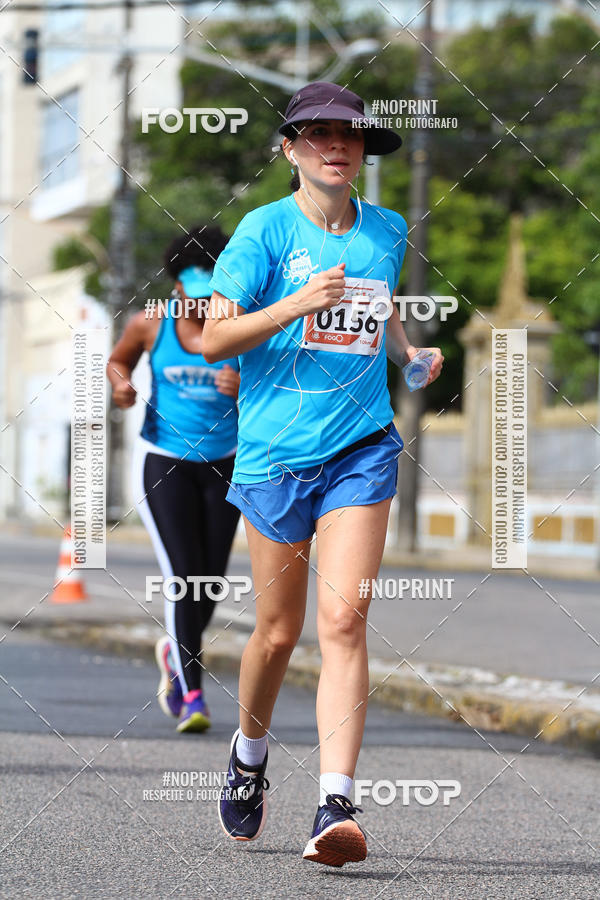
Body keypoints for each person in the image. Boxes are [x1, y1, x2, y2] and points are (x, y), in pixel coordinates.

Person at [202, 82, 443, 864]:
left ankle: (334, 805)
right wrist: (295, 303)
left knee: (342, 622)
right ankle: (248, 754)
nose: (335, 145)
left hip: (360, 446)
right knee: (276, 633)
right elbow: (211, 339)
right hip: (274, 455)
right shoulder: (262, 231)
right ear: (289, 149)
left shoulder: (387, 229)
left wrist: (409, 355)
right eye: (316, 134)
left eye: (349, 135)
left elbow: (379, 302)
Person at [106, 225, 241, 733]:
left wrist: (242, 385)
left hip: (227, 465)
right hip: (165, 463)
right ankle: (192, 695)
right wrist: (121, 387)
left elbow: (275, 382)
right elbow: (118, 361)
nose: (203, 304)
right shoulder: (150, 324)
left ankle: (172, 652)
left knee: (211, 583)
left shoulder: (240, 326)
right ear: (176, 284)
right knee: (185, 576)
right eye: (194, 291)